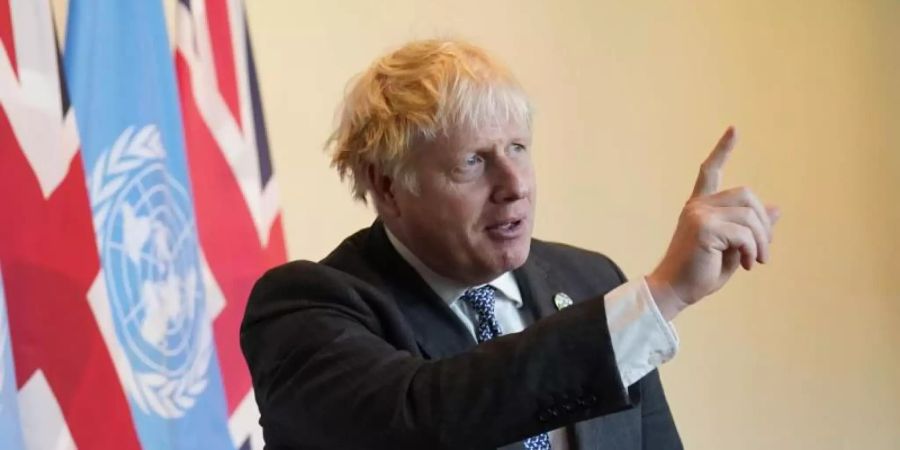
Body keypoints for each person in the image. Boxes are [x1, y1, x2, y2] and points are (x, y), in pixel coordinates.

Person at [240, 39, 780, 450]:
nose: (515, 184)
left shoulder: (591, 282)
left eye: (518, 147)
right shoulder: (305, 309)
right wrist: (662, 297)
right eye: (473, 162)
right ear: (387, 186)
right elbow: (425, 418)